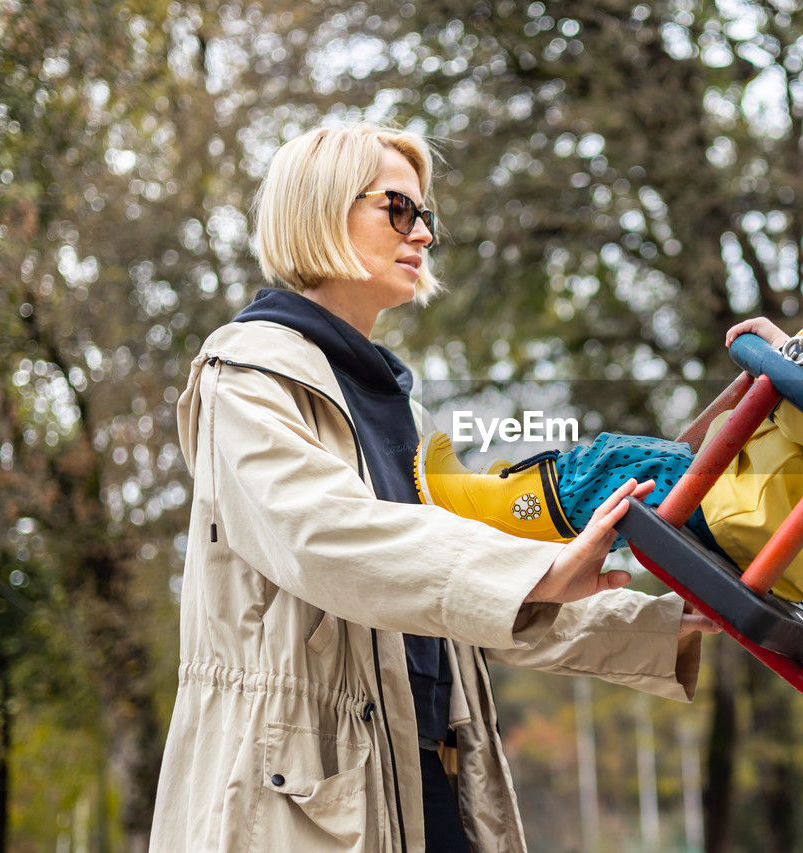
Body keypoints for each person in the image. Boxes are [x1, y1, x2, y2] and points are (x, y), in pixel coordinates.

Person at [149, 123, 715, 852]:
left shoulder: (395, 404)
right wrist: (535, 568)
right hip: (291, 794)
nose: (421, 233)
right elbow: (324, 537)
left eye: (426, 216)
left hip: (419, 773)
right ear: (320, 208)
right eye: (398, 209)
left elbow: (458, 601)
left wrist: (665, 623)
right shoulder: (246, 377)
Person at [415, 184, 803, 602]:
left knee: (613, 464)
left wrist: (786, 365)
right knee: (635, 466)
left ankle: (490, 508)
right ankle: (512, 499)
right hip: (785, 545)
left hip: (739, 516)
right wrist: (794, 351)